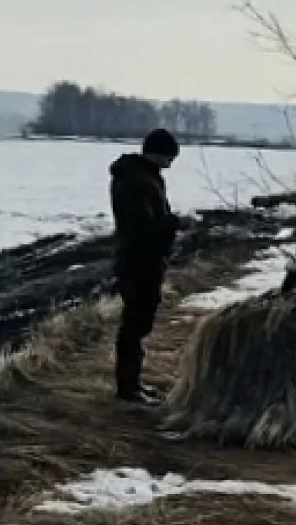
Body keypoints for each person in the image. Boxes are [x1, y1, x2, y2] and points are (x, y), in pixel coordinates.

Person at [109, 128, 189, 405]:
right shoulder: (137, 181)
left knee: (138, 323)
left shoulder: (141, 177)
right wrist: (176, 223)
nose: (171, 163)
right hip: (139, 261)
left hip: (141, 259)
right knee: (135, 324)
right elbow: (142, 228)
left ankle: (132, 384)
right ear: (159, 153)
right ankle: (128, 389)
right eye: (169, 157)